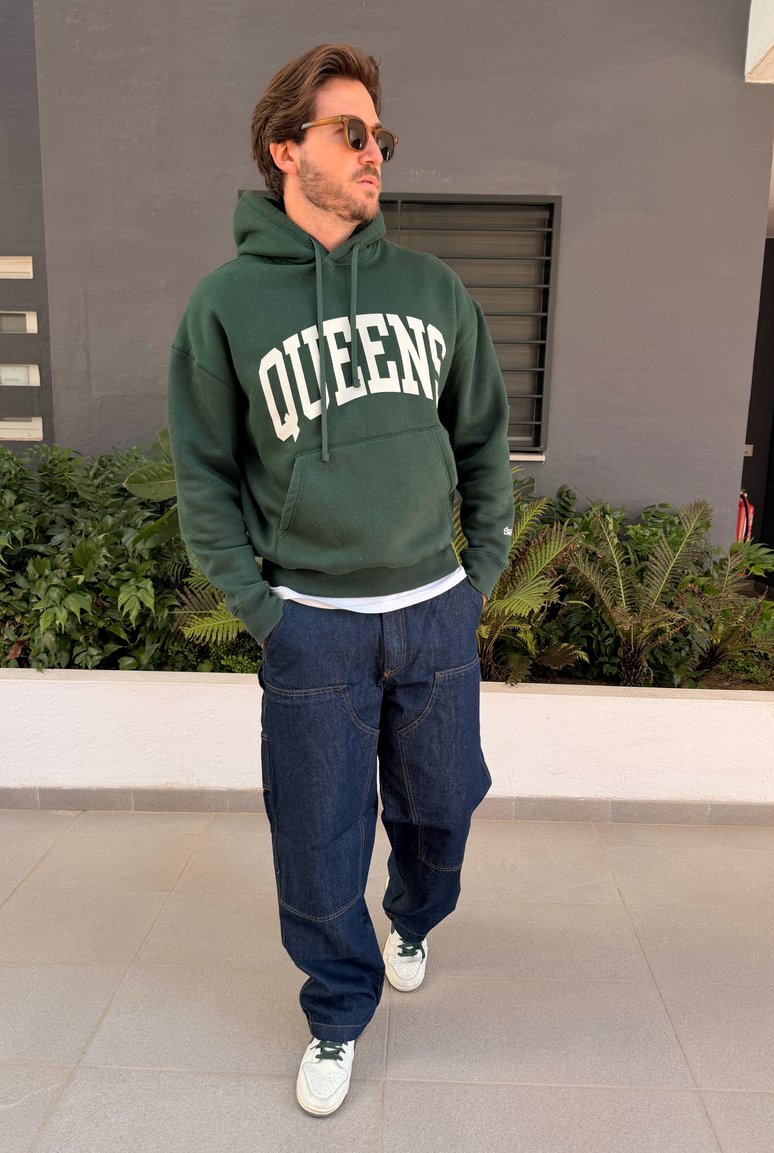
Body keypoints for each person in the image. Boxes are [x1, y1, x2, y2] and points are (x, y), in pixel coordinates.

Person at [168, 43, 513, 1116]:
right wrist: (266, 612)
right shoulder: (225, 306)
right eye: (350, 133)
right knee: (316, 848)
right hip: (311, 625)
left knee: (443, 809)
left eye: (381, 136)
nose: (374, 154)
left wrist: (479, 573)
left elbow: (484, 441)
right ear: (286, 149)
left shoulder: (431, 288)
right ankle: (336, 1008)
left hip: (433, 614)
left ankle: (412, 913)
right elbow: (206, 479)